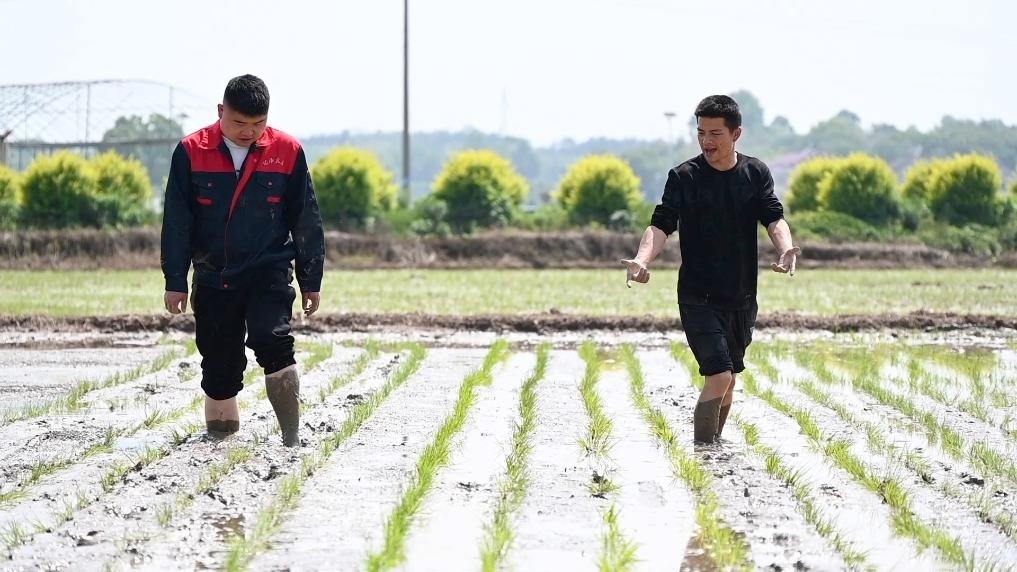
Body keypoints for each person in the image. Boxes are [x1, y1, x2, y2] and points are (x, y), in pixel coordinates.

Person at [621, 94, 798, 444]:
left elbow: (773, 217)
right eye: (701, 132)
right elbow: (661, 224)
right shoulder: (684, 177)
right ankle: (703, 451)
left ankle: (714, 447)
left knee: (729, 379)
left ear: (736, 134)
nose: (706, 141)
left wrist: (786, 248)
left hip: (741, 295)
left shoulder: (755, 173)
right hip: (697, 295)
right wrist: (642, 259)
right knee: (719, 375)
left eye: (715, 133)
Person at [161, 74, 325, 447]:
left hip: (269, 270)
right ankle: (219, 447)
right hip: (213, 274)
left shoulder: (288, 151)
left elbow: (306, 220)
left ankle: (292, 441)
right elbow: (177, 222)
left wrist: (310, 280)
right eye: (239, 123)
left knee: (274, 341)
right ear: (221, 111)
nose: (249, 132)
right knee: (219, 366)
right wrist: (175, 280)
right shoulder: (190, 151)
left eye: (258, 123)